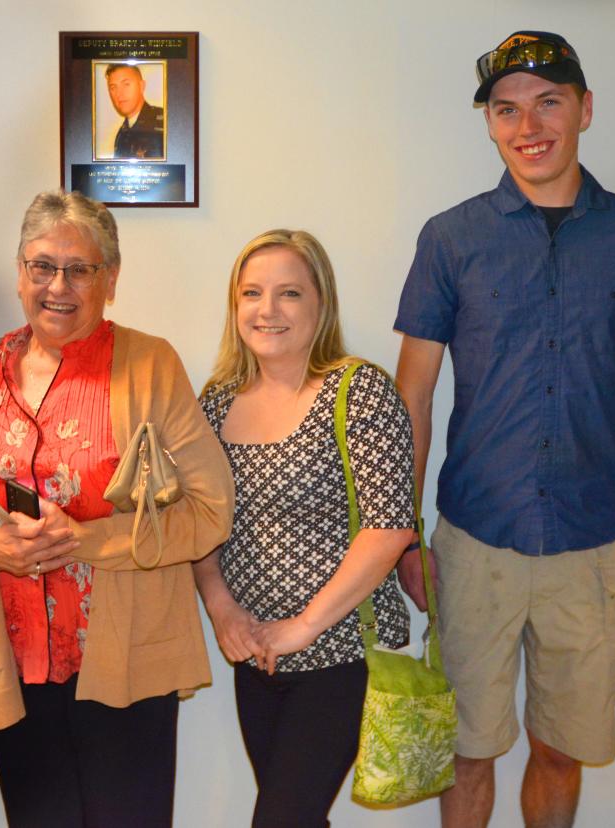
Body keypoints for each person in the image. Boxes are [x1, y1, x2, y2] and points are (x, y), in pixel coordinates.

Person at [394, 30, 615, 828]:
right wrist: (404, 537)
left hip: (591, 548)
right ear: (489, 124)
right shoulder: (450, 238)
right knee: (468, 751)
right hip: (475, 544)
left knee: (560, 749)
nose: (529, 125)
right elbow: (412, 398)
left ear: (585, 109)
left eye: (548, 102)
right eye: (507, 109)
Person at [0, 189, 233, 827]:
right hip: (14, 662)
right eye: (41, 266)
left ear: (109, 279)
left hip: (123, 662)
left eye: (80, 269)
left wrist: (84, 540)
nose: (57, 286)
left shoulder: (149, 365)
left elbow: (210, 511)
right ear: (19, 273)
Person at [194, 229, 414, 827]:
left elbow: (389, 528)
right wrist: (222, 611)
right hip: (256, 656)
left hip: (339, 652)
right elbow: (197, 523)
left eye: (289, 293)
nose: (267, 310)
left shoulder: (357, 391)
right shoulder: (216, 400)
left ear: (321, 304)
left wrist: (303, 627)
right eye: (251, 293)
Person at [106, 63, 165, 159]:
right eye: (113, 87)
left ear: (141, 86)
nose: (119, 94)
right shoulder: (121, 134)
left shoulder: (165, 121)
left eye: (126, 84)